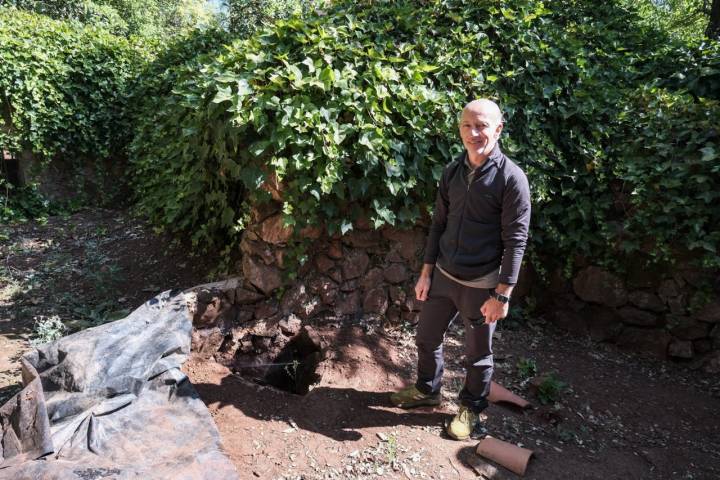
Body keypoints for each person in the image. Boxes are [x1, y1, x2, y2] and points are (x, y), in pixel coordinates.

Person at [390, 99, 531, 440]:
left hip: (482, 286)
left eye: (482, 126)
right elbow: (438, 225)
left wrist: (503, 294)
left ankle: (471, 410)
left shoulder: (512, 179)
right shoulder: (452, 172)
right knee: (426, 337)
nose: (474, 133)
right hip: (443, 276)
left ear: (498, 129)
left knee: (478, 354)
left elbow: (516, 241)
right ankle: (427, 390)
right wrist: (426, 273)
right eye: (467, 126)